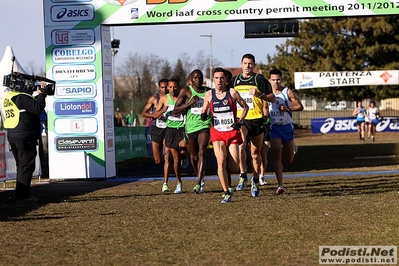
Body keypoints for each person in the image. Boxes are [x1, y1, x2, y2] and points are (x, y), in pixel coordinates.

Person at [230, 53, 275, 197]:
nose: (247, 66)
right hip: (241, 119)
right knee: (241, 146)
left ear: (254, 65)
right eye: (245, 63)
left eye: (250, 63)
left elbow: (272, 98)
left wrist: (259, 95)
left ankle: (255, 180)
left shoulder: (259, 79)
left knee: (255, 155)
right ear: (241, 64)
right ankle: (243, 175)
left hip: (256, 120)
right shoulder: (234, 80)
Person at [201, 68, 248, 203]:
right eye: (216, 78)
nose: (219, 81)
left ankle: (230, 172)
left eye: (221, 78)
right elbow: (204, 110)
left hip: (232, 132)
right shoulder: (209, 95)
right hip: (217, 133)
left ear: (226, 80)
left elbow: (245, 107)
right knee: (220, 161)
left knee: (234, 168)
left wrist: (240, 122)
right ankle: (226, 191)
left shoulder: (232, 93)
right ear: (213, 79)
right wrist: (204, 114)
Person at [2, 82, 47, 203]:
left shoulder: (10, 97)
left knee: (22, 166)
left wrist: (38, 96)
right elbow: (37, 108)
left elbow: (29, 106)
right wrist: (42, 94)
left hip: (14, 135)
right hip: (24, 135)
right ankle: (22, 196)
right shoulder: (22, 97)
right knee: (26, 165)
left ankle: (21, 194)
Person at [174, 69, 211, 193]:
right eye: (195, 78)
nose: (198, 80)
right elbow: (175, 111)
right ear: (191, 78)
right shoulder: (186, 91)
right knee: (194, 156)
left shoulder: (208, 92)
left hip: (204, 125)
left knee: (201, 153)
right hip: (190, 128)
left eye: (200, 77)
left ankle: (199, 182)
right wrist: (189, 103)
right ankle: (200, 175)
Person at [268, 68, 304, 195]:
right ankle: (280, 185)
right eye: (273, 80)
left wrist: (288, 108)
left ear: (281, 80)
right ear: (269, 80)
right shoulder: (266, 94)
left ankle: (293, 146)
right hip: (274, 128)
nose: (276, 82)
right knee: (277, 154)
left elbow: (300, 106)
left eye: (278, 79)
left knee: (288, 159)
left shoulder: (287, 92)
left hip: (287, 127)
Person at [153, 78, 187, 194]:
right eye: (170, 87)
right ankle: (172, 183)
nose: (173, 89)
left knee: (182, 154)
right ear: (168, 88)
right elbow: (156, 115)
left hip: (182, 129)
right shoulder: (164, 98)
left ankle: (184, 160)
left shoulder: (182, 97)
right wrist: (163, 110)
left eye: (175, 87)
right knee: (171, 157)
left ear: (178, 87)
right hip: (170, 130)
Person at [141, 79, 168, 165]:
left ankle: (167, 173)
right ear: (159, 88)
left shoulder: (173, 98)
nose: (164, 89)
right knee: (158, 160)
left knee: (168, 155)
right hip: (156, 128)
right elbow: (143, 113)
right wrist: (154, 115)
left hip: (168, 128)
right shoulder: (154, 98)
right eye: (162, 87)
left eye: (166, 87)